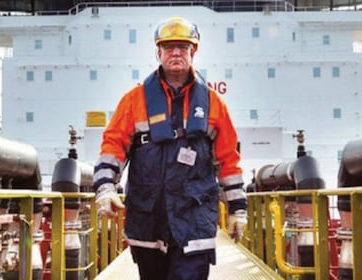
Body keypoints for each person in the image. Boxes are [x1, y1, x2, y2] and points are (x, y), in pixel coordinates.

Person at [93, 16, 248, 280]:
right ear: (159, 52)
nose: (176, 53)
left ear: (193, 51)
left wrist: (238, 210)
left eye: (183, 47)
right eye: (168, 47)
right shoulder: (134, 100)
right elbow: (113, 146)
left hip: (194, 218)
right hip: (148, 218)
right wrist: (106, 189)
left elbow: (228, 161)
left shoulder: (213, 103)